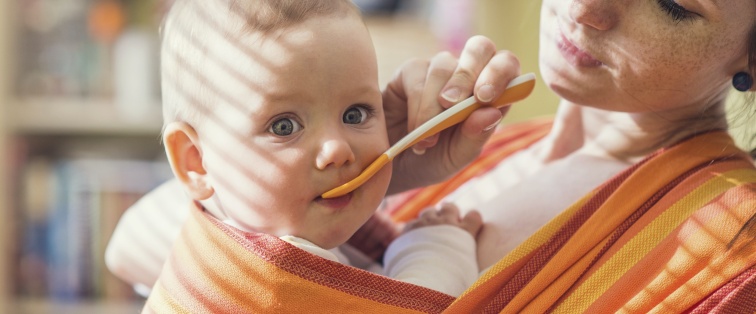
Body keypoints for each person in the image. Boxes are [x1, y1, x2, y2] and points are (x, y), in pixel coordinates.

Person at [107, 0, 756, 312]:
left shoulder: (730, 245)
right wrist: (386, 176)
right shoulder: (482, 145)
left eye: (673, 4)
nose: (587, 7)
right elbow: (130, 242)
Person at [133, 1, 495, 311]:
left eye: (355, 114)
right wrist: (439, 246)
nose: (337, 148)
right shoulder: (273, 279)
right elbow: (411, 305)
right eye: (284, 127)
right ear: (195, 161)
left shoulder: (235, 229)